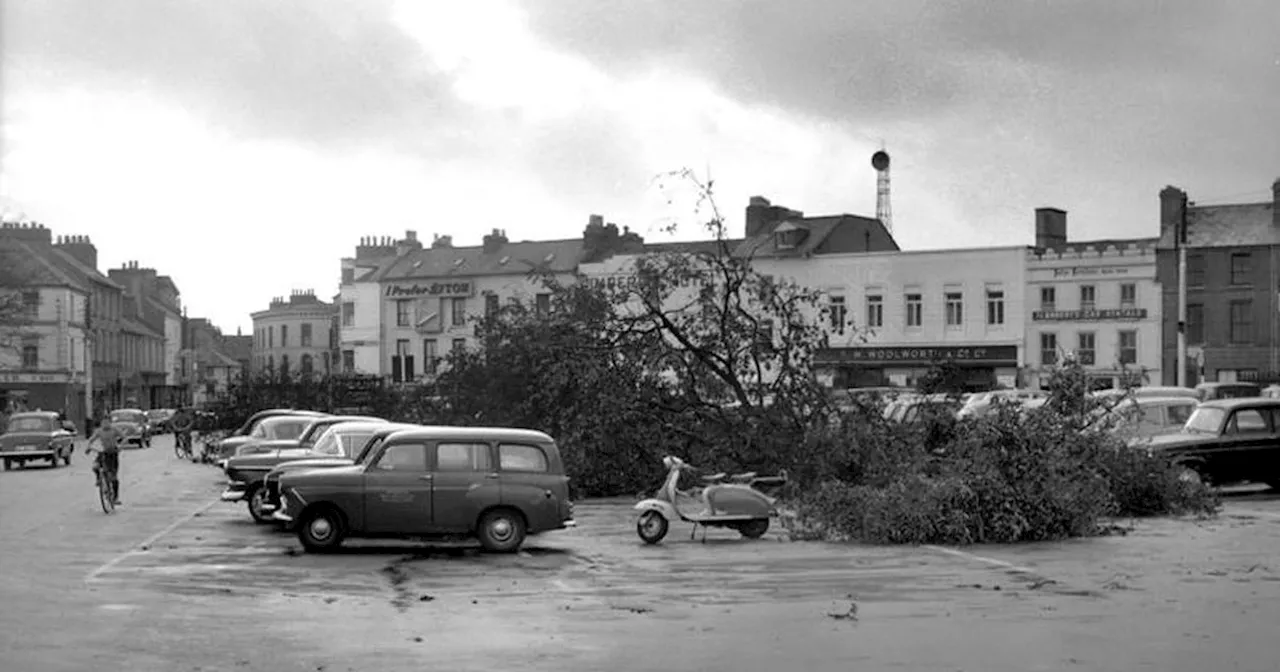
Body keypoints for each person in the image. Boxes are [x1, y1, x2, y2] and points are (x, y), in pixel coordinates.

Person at [86, 417, 122, 505]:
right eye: (103, 422)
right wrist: (88, 447)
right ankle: (99, 478)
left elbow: (124, 437)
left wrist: (120, 446)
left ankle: (115, 497)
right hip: (103, 453)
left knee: (113, 477)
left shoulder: (114, 430)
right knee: (95, 466)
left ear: (110, 423)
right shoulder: (99, 431)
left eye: (107, 422)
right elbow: (91, 439)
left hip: (113, 453)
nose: (105, 424)